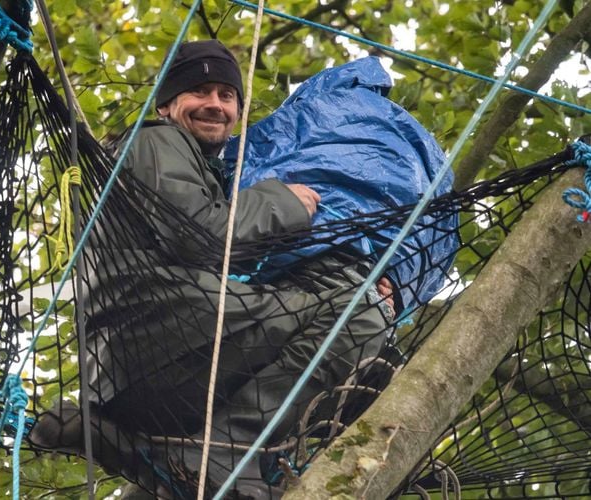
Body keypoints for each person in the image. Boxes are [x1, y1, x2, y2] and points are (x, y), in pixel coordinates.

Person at [30, 40, 394, 499]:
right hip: (162, 330)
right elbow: (198, 234)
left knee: (182, 485)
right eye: (200, 91)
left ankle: (126, 441)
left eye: (226, 95)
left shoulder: (198, 167)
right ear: (167, 104)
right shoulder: (155, 141)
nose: (214, 105)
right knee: (359, 313)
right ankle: (228, 444)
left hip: (139, 365)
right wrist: (282, 201)